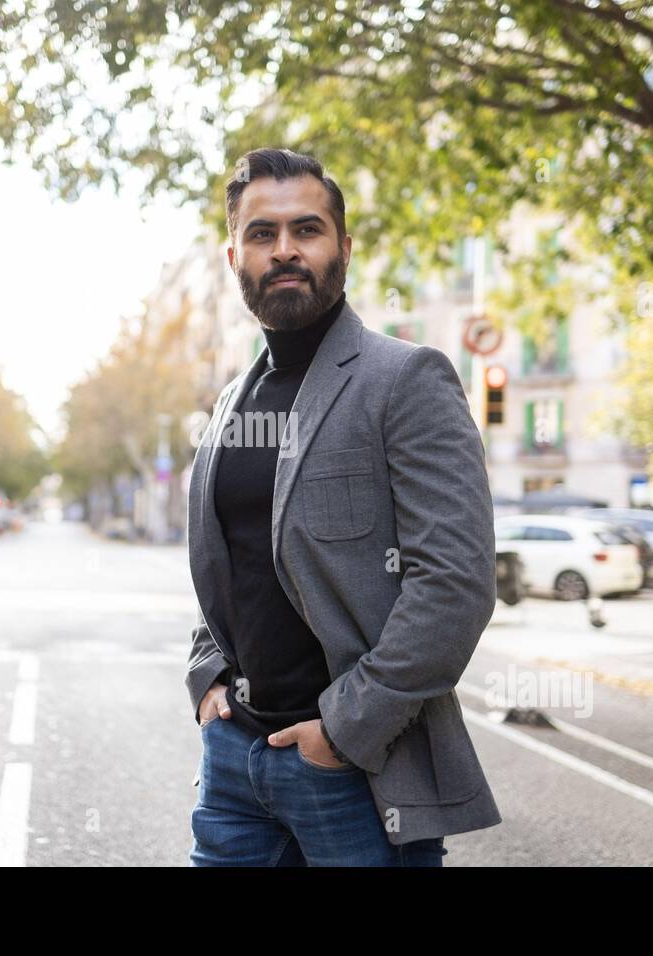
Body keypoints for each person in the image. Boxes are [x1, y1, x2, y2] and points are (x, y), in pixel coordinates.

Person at [185, 147, 501, 866]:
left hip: (353, 773)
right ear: (234, 254)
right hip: (233, 763)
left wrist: (344, 730)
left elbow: (454, 583)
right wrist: (207, 678)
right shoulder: (231, 404)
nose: (285, 249)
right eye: (262, 234)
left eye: (308, 229)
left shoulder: (406, 379)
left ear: (344, 247)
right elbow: (223, 565)